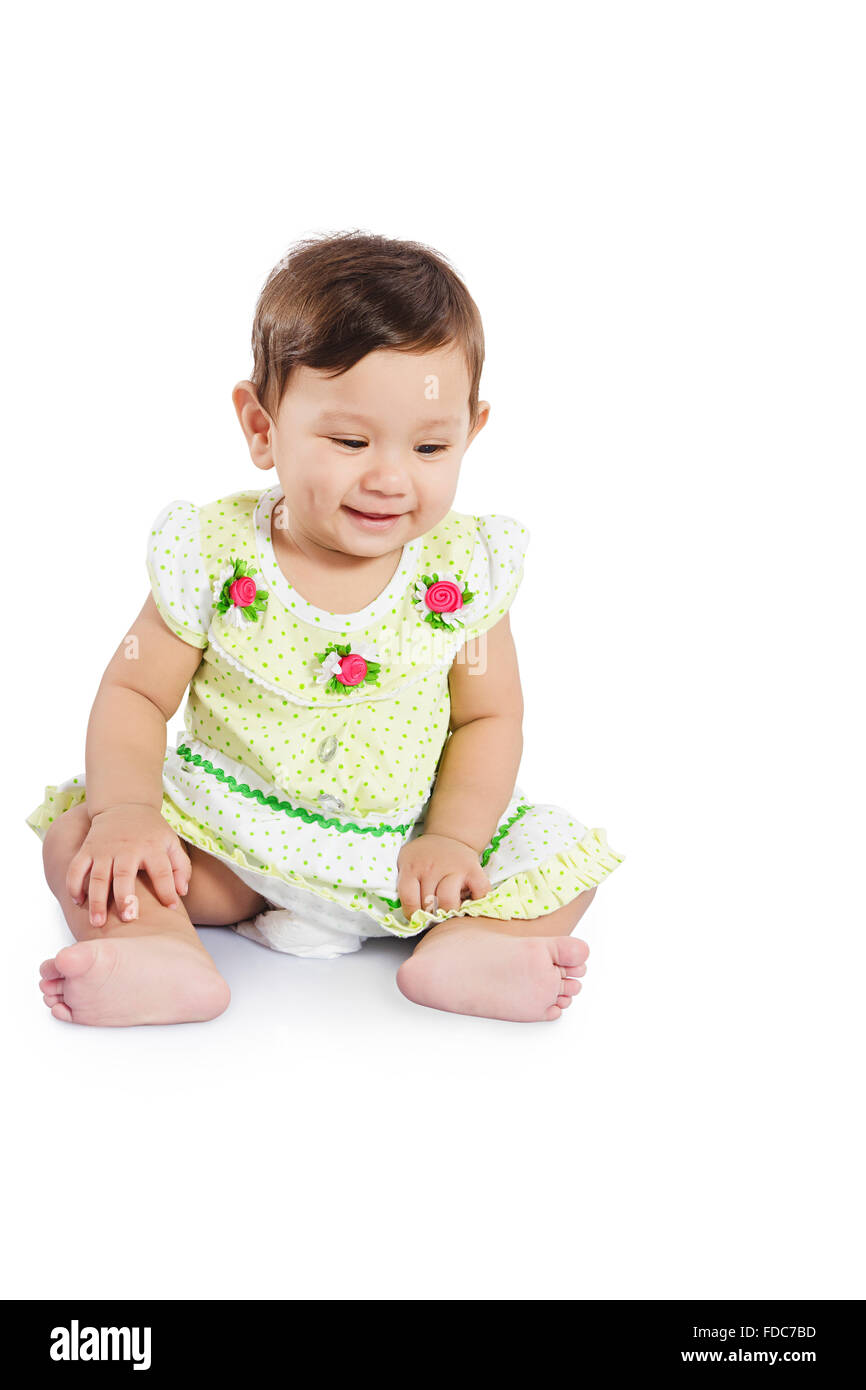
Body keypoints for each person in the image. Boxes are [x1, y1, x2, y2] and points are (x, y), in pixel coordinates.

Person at [26, 230, 624, 1027]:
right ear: (262, 425)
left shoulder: (465, 570)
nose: (388, 476)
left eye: (430, 446)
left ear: (472, 432)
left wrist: (452, 839)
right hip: (230, 844)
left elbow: (490, 715)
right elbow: (135, 690)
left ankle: (466, 949)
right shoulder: (212, 553)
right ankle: (159, 953)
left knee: (562, 863)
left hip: (409, 854)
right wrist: (130, 812)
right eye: (348, 441)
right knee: (81, 838)